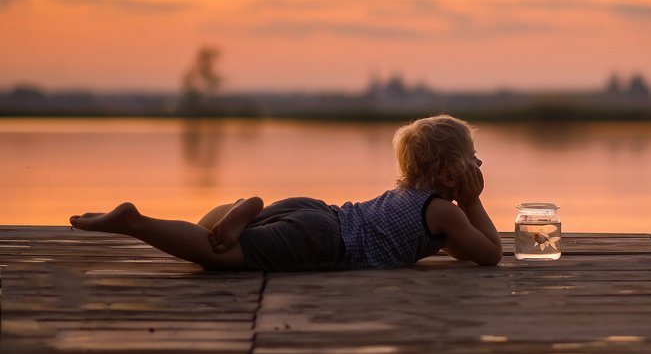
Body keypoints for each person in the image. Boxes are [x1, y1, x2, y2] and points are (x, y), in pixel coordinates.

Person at [69, 115, 503, 271]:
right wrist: (472, 200)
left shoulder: (412, 202)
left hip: (316, 212)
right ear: (449, 174)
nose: (479, 166)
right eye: (473, 158)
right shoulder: (445, 212)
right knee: (216, 255)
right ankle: (135, 221)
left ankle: (246, 209)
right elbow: (489, 254)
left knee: (218, 232)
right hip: (323, 241)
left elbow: (461, 251)